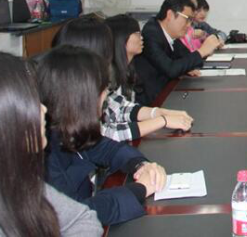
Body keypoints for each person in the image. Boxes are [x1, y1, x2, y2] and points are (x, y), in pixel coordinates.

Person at [0, 51, 102, 237]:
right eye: (30, 102)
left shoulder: (15, 180)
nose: (44, 109)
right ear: (0, 122)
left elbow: (83, 218)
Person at [39, 45, 168, 226]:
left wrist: (141, 165)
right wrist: (141, 188)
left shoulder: (69, 128)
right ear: (82, 97)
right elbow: (78, 214)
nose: (106, 95)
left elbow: (110, 149)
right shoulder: (44, 152)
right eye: (102, 89)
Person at [93, 14, 192, 141]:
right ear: (121, 38)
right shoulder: (108, 76)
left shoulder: (130, 68)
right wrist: (161, 120)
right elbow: (108, 130)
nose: (142, 37)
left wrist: (160, 113)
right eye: (137, 33)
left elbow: (122, 108)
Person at [135, 0, 220, 104]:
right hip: (153, 101)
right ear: (170, 15)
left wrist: (187, 66)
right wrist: (202, 51)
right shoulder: (151, 34)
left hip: (168, 93)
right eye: (187, 19)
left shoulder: (171, 33)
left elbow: (186, 57)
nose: (189, 25)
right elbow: (171, 69)